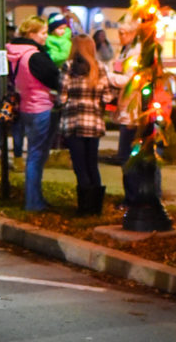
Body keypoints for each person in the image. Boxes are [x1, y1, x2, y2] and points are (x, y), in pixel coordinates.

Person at [6, 16, 60, 211]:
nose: (46, 37)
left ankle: (35, 198)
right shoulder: (35, 56)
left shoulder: (16, 54)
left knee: (34, 155)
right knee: (37, 155)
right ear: (31, 34)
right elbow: (54, 77)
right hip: (41, 107)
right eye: (43, 33)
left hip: (27, 105)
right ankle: (33, 201)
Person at [59, 35, 114, 214]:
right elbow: (107, 96)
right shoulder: (100, 68)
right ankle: (96, 207)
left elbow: (62, 96)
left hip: (74, 122)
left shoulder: (68, 67)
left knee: (79, 164)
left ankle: (84, 206)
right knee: (92, 163)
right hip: (94, 122)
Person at [110, 20, 142, 164]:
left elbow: (130, 80)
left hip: (132, 104)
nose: (119, 37)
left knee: (127, 147)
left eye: (122, 33)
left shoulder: (135, 53)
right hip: (125, 104)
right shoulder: (125, 49)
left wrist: (109, 76)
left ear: (132, 33)